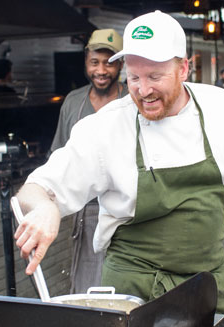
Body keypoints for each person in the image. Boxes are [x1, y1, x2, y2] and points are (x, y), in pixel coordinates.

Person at [14, 10, 224, 327]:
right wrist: (45, 207)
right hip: (133, 291)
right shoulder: (106, 127)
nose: (143, 90)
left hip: (208, 280)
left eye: (155, 77)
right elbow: (34, 189)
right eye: (134, 78)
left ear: (184, 68)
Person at [50, 28, 128, 293]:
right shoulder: (73, 103)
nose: (101, 70)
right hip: (85, 212)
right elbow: (58, 156)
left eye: (109, 62)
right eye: (94, 62)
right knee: (87, 285)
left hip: (127, 210)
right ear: (85, 62)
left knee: (124, 282)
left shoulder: (133, 100)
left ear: (121, 63)